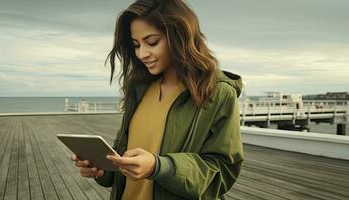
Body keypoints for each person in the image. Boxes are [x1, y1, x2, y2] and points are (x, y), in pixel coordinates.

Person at [71, 0, 244, 199]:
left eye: (152, 42)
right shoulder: (139, 88)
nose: (142, 53)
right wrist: (101, 170)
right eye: (136, 45)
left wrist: (159, 167)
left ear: (179, 37)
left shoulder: (219, 92)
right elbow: (123, 160)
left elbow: (223, 171)